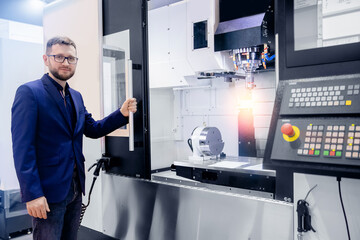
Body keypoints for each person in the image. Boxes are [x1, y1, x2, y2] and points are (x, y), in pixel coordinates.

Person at [11, 36, 137, 240]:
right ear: (46, 59)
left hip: (75, 190)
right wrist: (33, 194)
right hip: (48, 193)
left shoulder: (76, 96)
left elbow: (93, 129)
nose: (65, 63)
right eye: (59, 57)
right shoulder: (29, 93)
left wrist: (121, 114)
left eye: (71, 58)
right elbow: (22, 148)